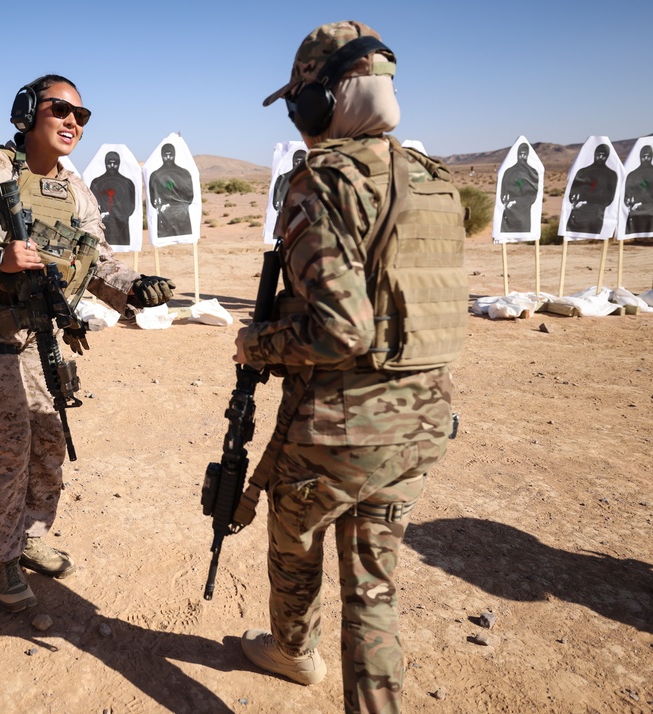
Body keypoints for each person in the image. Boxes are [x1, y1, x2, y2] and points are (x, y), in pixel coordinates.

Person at [234, 21, 463, 713]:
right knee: (373, 585)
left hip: (335, 429)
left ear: (320, 99)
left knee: (295, 548)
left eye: (298, 100)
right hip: (419, 425)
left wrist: (257, 345)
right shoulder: (434, 181)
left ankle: (293, 652)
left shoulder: (322, 185)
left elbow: (341, 328)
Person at [0, 75, 175, 612]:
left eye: (82, 115)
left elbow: (95, 260)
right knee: (7, 449)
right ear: (28, 112)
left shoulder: (75, 190)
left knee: (49, 442)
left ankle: (29, 534)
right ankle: (1, 556)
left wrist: (133, 287)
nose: (73, 122)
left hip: (39, 336)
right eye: (61, 110)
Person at [567, 143, 618, 235]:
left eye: (603, 155)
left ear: (607, 156)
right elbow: (573, 192)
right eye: (599, 154)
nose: (600, 157)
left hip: (596, 216)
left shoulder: (611, 175)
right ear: (595, 154)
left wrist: (587, 202)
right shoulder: (583, 172)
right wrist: (574, 199)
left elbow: (609, 198)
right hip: (577, 215)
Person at [89, 150, 136, 247]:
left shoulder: (128, 183)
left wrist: (119, 215)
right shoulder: (96, 182)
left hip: (121, 230)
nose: (112, 165)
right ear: (105, 163)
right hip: (101, 229)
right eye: (109, 163)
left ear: (119, 163)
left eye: (115, 163)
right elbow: (91, 205)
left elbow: (131, 207)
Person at [147, 143, 194, 237]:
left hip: (182, 216)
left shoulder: (184, 173)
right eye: (166, 155)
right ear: (162, 155)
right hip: (164, 217)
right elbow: (153, 199)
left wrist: (178, 206)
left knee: (184, 237)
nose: (168, 157)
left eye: (170, 155)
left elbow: (189, 196)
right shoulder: (155, 175)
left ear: (174, 154)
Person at [499, 142, 539, 233]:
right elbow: (503, 190)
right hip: (508, 214)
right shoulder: (509, 172)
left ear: (527, 155)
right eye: (520, 154)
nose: (522, 156)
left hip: (523, 215)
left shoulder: (533, 173)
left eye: (524, 154)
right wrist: (505, 200)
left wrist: (515, 202)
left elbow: (532, 196)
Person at [624, 144, 653, 235]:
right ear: (640, 157)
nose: (646, 159)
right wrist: (629, 203)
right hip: (636, 214)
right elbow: (627, 195)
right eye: (644, 156)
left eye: (648, 156)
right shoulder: (632, 175)